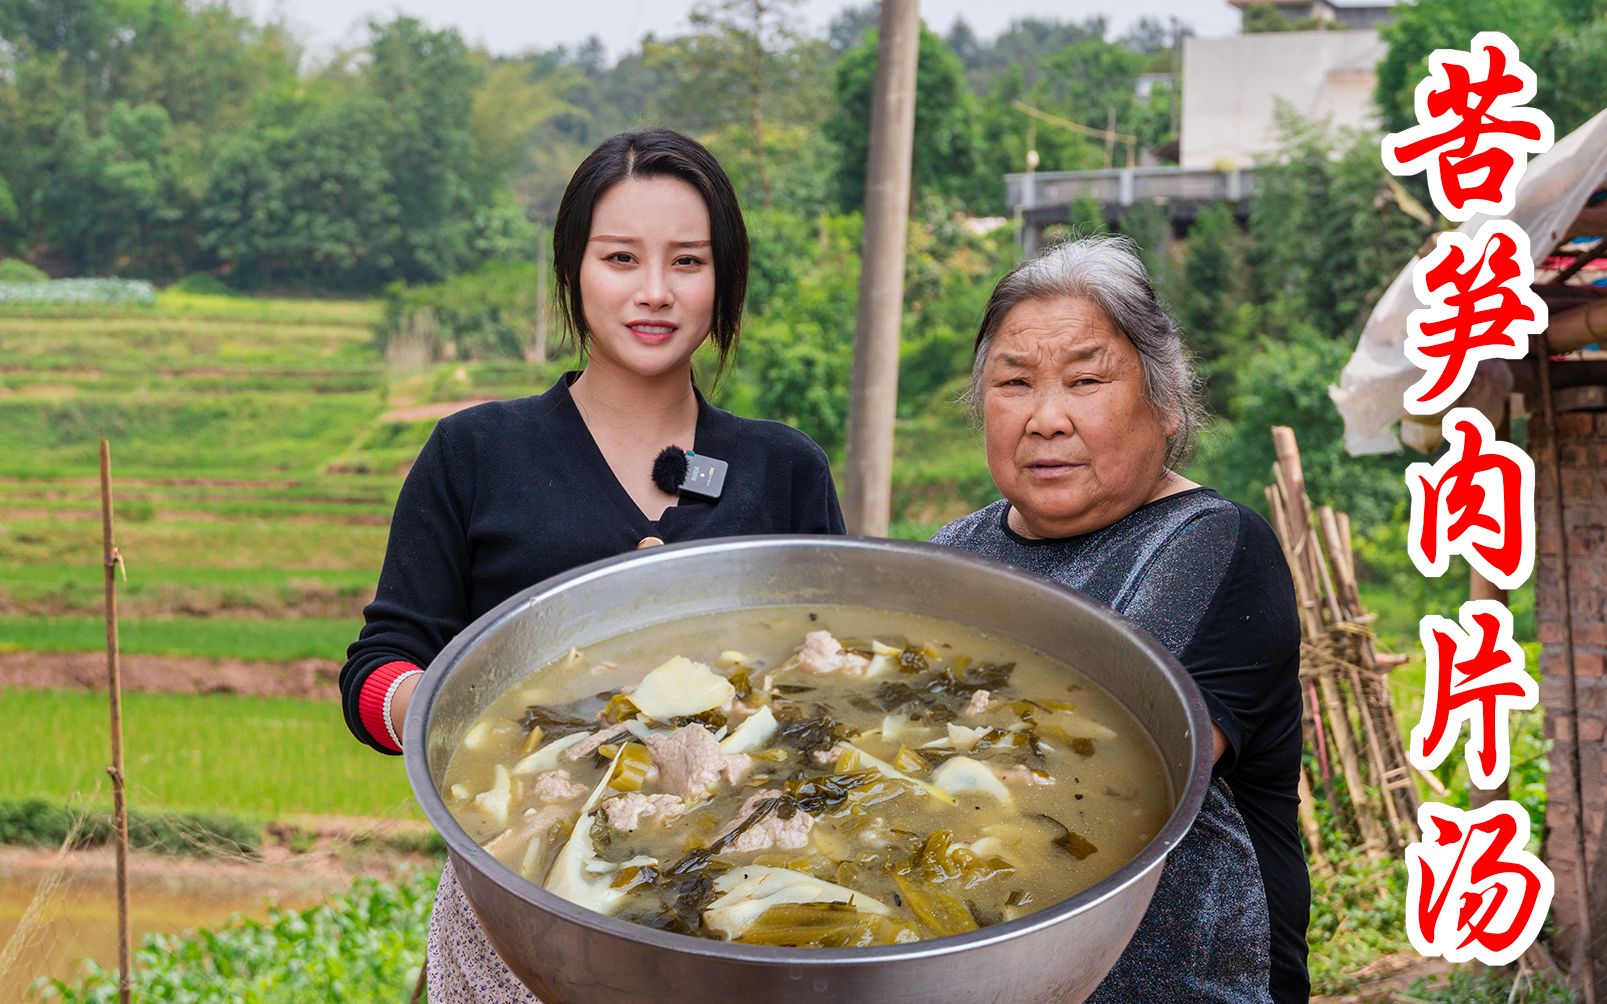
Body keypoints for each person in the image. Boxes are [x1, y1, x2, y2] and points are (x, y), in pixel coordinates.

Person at [338, 127, 845, 1002]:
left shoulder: (784, 469)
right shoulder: (474, 454)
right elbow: (372, 678)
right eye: (620, 258)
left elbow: (828, 680)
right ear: (573, 270)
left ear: (722, 279)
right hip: (519, 919)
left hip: (738, 916)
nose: (655, 291)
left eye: (687, 261)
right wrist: (472, 712)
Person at [929, 235, 1309, 1002]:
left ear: (1164, 402)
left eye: (1084, 379)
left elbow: (1101, 779)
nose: (1044, 417)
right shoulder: (951, 555)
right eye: (1013, 382)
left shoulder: (1208, 543)